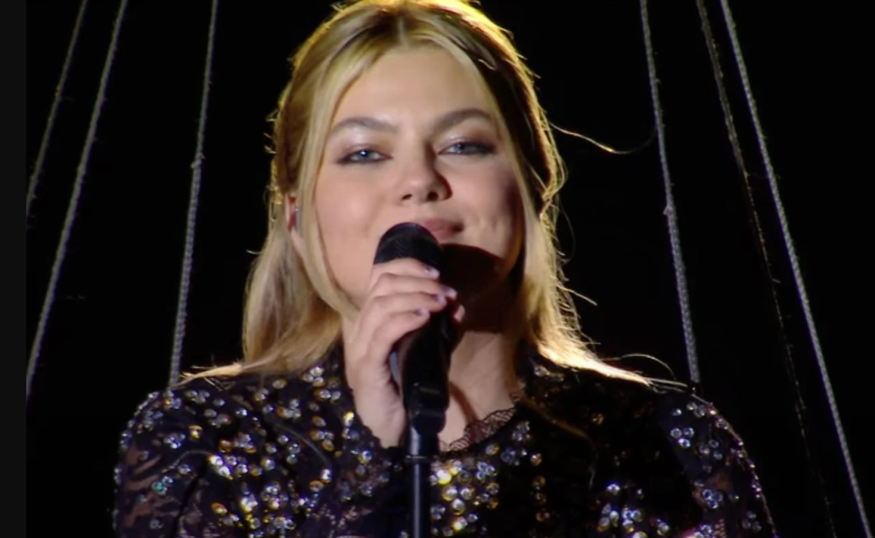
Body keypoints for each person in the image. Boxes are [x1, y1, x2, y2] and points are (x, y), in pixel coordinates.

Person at [112, 1, 778, 536]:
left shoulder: (663, 445)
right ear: (295, 212)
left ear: (531, 185)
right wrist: (372, 453)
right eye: (364, 153)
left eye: (463, 144)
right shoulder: (207, 438)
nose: (419, 181)